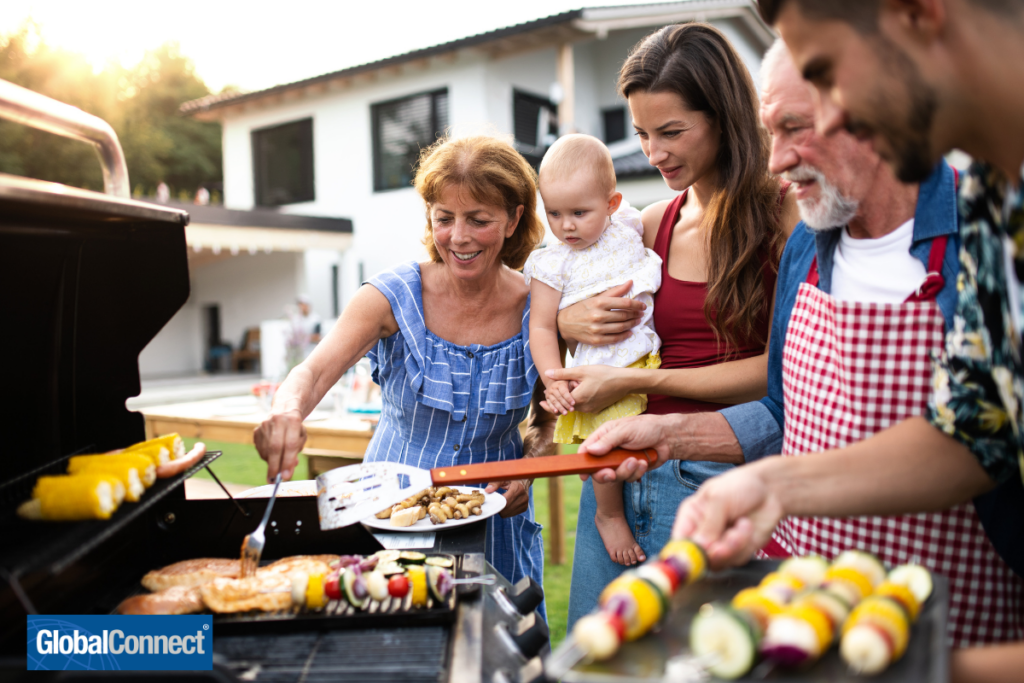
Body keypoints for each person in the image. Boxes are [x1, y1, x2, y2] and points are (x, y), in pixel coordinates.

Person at [579, 38, 1023, 647]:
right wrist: (671, 433)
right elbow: (782, 412)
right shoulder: (806, 254)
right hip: (808, 611)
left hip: (956, 619)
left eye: (796, 127)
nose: (776, 160)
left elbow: (977, 439)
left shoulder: (987, 240)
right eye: (771, 130)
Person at [554, 23, 799, 629]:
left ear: (723, 117)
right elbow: (569, 294)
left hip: (710, 477)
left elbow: (787, 373)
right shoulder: (649, 223)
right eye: (640, 134)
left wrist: (642, 386)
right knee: (595, 657)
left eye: (671, 132)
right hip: (615, 472)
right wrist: (566, 318)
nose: (653, 152)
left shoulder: (782, 213)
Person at [253, 135, 555, 618]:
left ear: (514, 219)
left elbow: (547, 421)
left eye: (479, 220)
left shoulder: (539, 308)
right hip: (390, 515)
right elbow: (309, 373)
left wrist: (527, 472)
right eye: (444, 218)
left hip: (497, 527)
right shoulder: (392, 296)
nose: (459, 237)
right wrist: (286, 412)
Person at [524, 134, 662, 566]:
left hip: (647, 356)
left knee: (640, 450)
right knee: (603, 445)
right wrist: (553, 379)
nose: (566, 226)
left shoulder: (631, 225)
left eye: (579, 213)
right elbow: (542, 328)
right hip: (599, 366)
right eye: (554, 213)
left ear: (613, 203)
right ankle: (609, 514)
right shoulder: (553, 262)